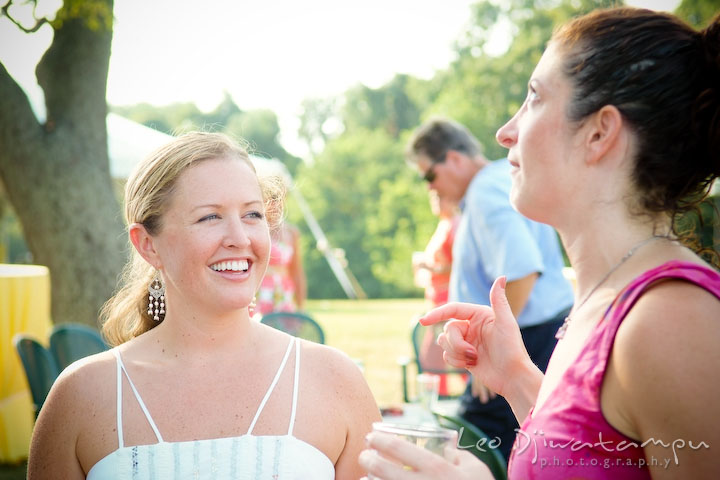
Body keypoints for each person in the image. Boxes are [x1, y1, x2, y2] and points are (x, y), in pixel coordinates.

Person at [360, 7, 720, 479]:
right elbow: (595, 455)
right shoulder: (609, 301)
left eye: (533, 98)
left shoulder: (669, 320)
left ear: (599, 133)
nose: (505, 132)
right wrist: (517, 380)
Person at [27, 132, 380, 479]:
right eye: (210, 217)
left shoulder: (335, 381)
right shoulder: (82, 396)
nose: (240, 239)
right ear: (148, 244)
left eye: (253, 215)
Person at [405, 116, 575, 461]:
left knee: (467, 453)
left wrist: (496, 345)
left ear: (454, 159)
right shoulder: (503, 178)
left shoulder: (483, 192)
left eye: (428, 175)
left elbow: (523, 268)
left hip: (527, 339)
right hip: (541, 334)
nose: (429, 187)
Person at [256, 219, 307, 316]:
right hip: (260, 289)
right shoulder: (254, 228)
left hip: (284, 290)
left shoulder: (291, 232)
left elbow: (296, 270)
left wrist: (301, 306)